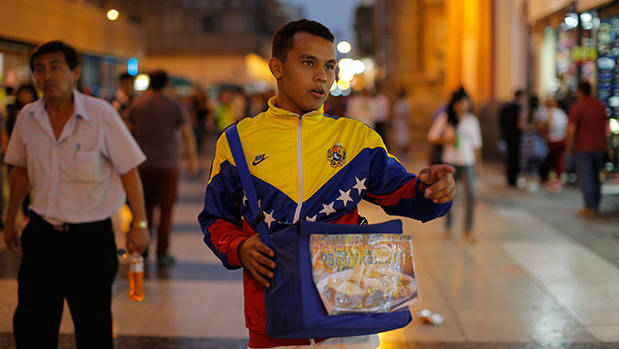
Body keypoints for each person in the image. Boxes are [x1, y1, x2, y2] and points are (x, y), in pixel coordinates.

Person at [198, 19, 456, 349]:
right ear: (276, 67)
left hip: (349, 323)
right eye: (309, 63)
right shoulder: (236, 142)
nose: (323, 76)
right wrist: (240, 247)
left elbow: (409, 196)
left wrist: (433, 190)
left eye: (330, 66)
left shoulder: (358, 138)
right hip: (273, 322)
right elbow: (215, 219)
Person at [3, 40, 149, 348]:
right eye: (39, 69)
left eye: (56, 67)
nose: (47, 76)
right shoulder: (27, 118)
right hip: (41, 236)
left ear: (75, 73)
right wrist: (9, 218)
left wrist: (140, 223)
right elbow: (20, 170)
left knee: (94, 330)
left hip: (90, 242)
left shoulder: (101, 115)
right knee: (32, 328)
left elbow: (129, 170)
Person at [128, 69, 198, 266]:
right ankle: (162, 252)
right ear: (166, 84)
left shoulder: (138, 104)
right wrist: (191, 159)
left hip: (141, 165)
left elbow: (126, 130)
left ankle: (143, 249)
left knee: (144, 208)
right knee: (166, 211)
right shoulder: (174, 105)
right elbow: (187, 133)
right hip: (167, 165)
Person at [428, 88, 482, 241]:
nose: (462, 106)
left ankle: (468, 229)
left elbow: (477, 145)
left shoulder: (472, 120)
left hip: (468, 161)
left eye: (465, 102)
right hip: (450, 161)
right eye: (459, 103)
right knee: (449, 195)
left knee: (471, 194)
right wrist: (447, 140)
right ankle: (448, 226)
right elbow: (432, 136)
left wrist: (479, 165)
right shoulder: (445, 118)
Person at [566, 81, 609, 218]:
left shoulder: (578, 107)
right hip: (599, 147)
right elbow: (607, 126)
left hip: (583, 147)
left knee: (586, 177)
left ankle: (590, 207)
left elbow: (572, 129)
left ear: (579, 92)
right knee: (596, 177)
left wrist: (570, 146)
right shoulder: (600, 105)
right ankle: (595, 205)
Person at [3, 84, 39, 219]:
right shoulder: (15, 111)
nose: (26, 96)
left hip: (34, 152)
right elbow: (7, 130)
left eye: (28, 93)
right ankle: (25, 212)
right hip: (18, 152)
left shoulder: (39, 112)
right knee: (19, 182)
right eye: (23, 93)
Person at [538, 96, 568, 192]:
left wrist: (545, 135)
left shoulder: (546, 112)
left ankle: (547, 179)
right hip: (561, 139)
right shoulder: (561, 113)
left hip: (552, 140)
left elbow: (544, 126)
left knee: (548, 160)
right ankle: (558, 179)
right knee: (558, 161)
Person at [519, 95, 547, 192]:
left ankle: (527, 181)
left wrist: (528, 128)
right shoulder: (540, 112)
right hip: (536, 139)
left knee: (527, 161)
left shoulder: (524, 112)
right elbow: (542, 126)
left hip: (526, 139)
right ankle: (533, 182)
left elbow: (520, 125)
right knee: (535, 161)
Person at [499, 90, 526, 187]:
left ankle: (510, 179)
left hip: (507, 136)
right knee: (515, 158)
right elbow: (520, 124)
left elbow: (501, 121)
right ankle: (514, 179)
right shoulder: (519, 108)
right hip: (516, 137)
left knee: (510, 158)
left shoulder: (506, 107)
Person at [392, 89, 411, 158]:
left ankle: (404, 154)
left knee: (404, 139)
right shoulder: (400, 103)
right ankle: (401, 153)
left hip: (403, 124)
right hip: (400, 123)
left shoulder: (403, 103)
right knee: (400, 139)